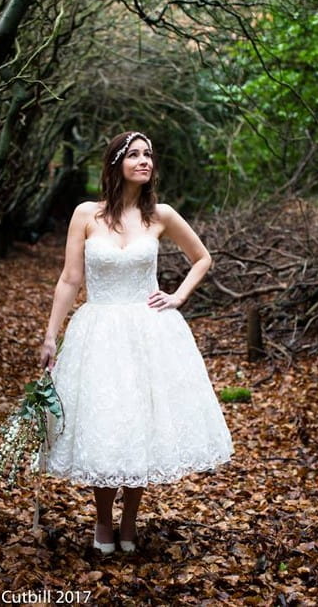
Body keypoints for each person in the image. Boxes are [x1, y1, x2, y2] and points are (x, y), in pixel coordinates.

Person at [40, 131, 233, 555]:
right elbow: (71, 279)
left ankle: (130, 522)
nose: (144, 161)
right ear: (115, 163)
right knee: (106, 423)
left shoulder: (160, 215)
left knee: (141, 423)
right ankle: (103, 521)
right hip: (100, 333)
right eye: (134, 155)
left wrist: (178, 295)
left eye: (149, 154)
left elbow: (202, 258)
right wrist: (51, 335)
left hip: (150, 332)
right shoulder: (86, 215)